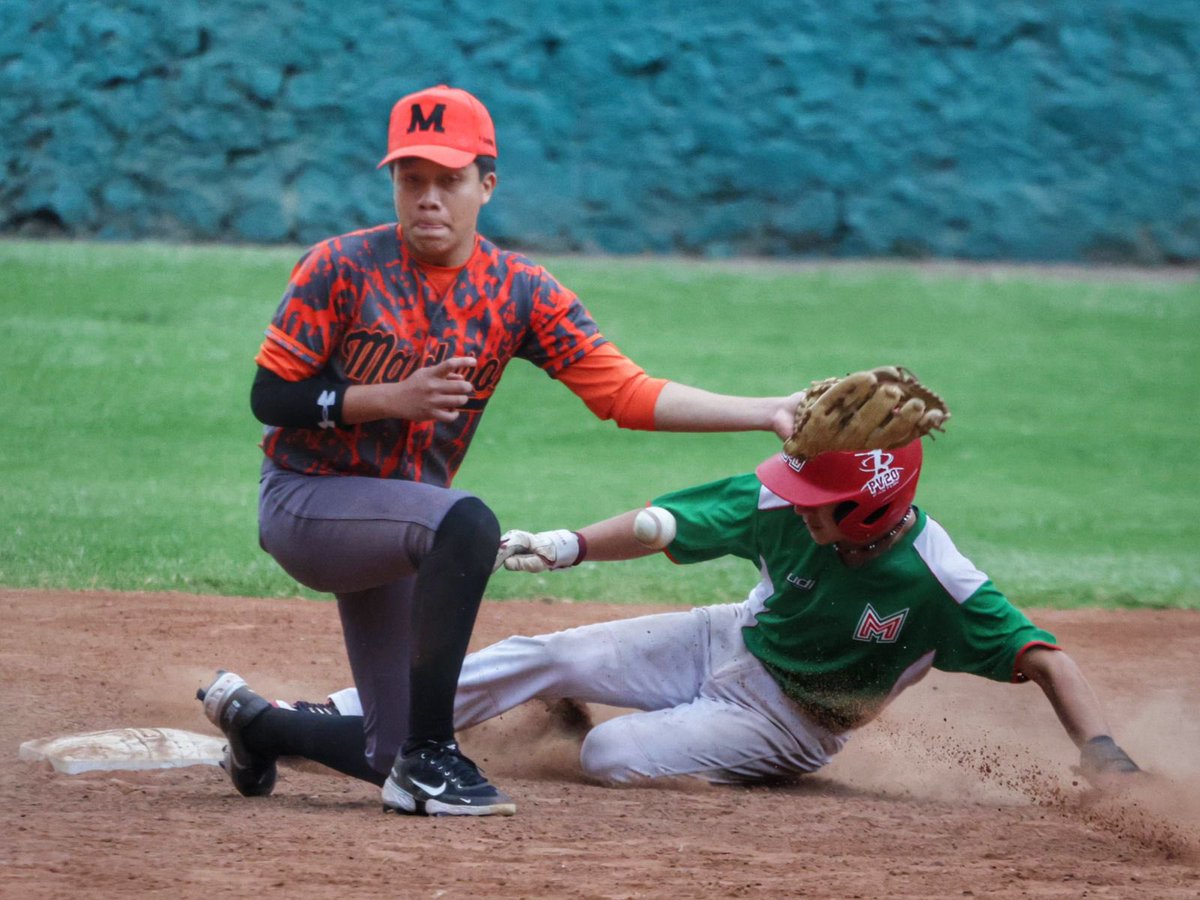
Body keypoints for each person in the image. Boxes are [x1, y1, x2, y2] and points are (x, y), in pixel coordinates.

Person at [199, 83, 808, 818]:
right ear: (391, 181)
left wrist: (769, 411)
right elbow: (272, 396)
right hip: (307, 502)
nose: (428, 197)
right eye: (410, 178)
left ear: (486, 186)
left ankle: (257, 726)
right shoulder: (339, 268)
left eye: (448, 180)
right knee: (467, 524)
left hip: (400, 522)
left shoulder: (518, 291)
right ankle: (434, 760)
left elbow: (626, 393)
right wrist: (387, 398)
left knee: (381, 750)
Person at [213, 438, 1141, 794]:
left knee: (609, 757)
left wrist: (1106, 758)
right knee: (544, 653)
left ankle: (656, 734)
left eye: (818, 492)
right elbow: (667, 524)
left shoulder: (940, 583)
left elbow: (1047, 658)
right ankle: (343, 715)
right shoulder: (786, 507)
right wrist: (568, 544)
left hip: (789, 722)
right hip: (724, 640)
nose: (792, 498)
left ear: (869, 511)